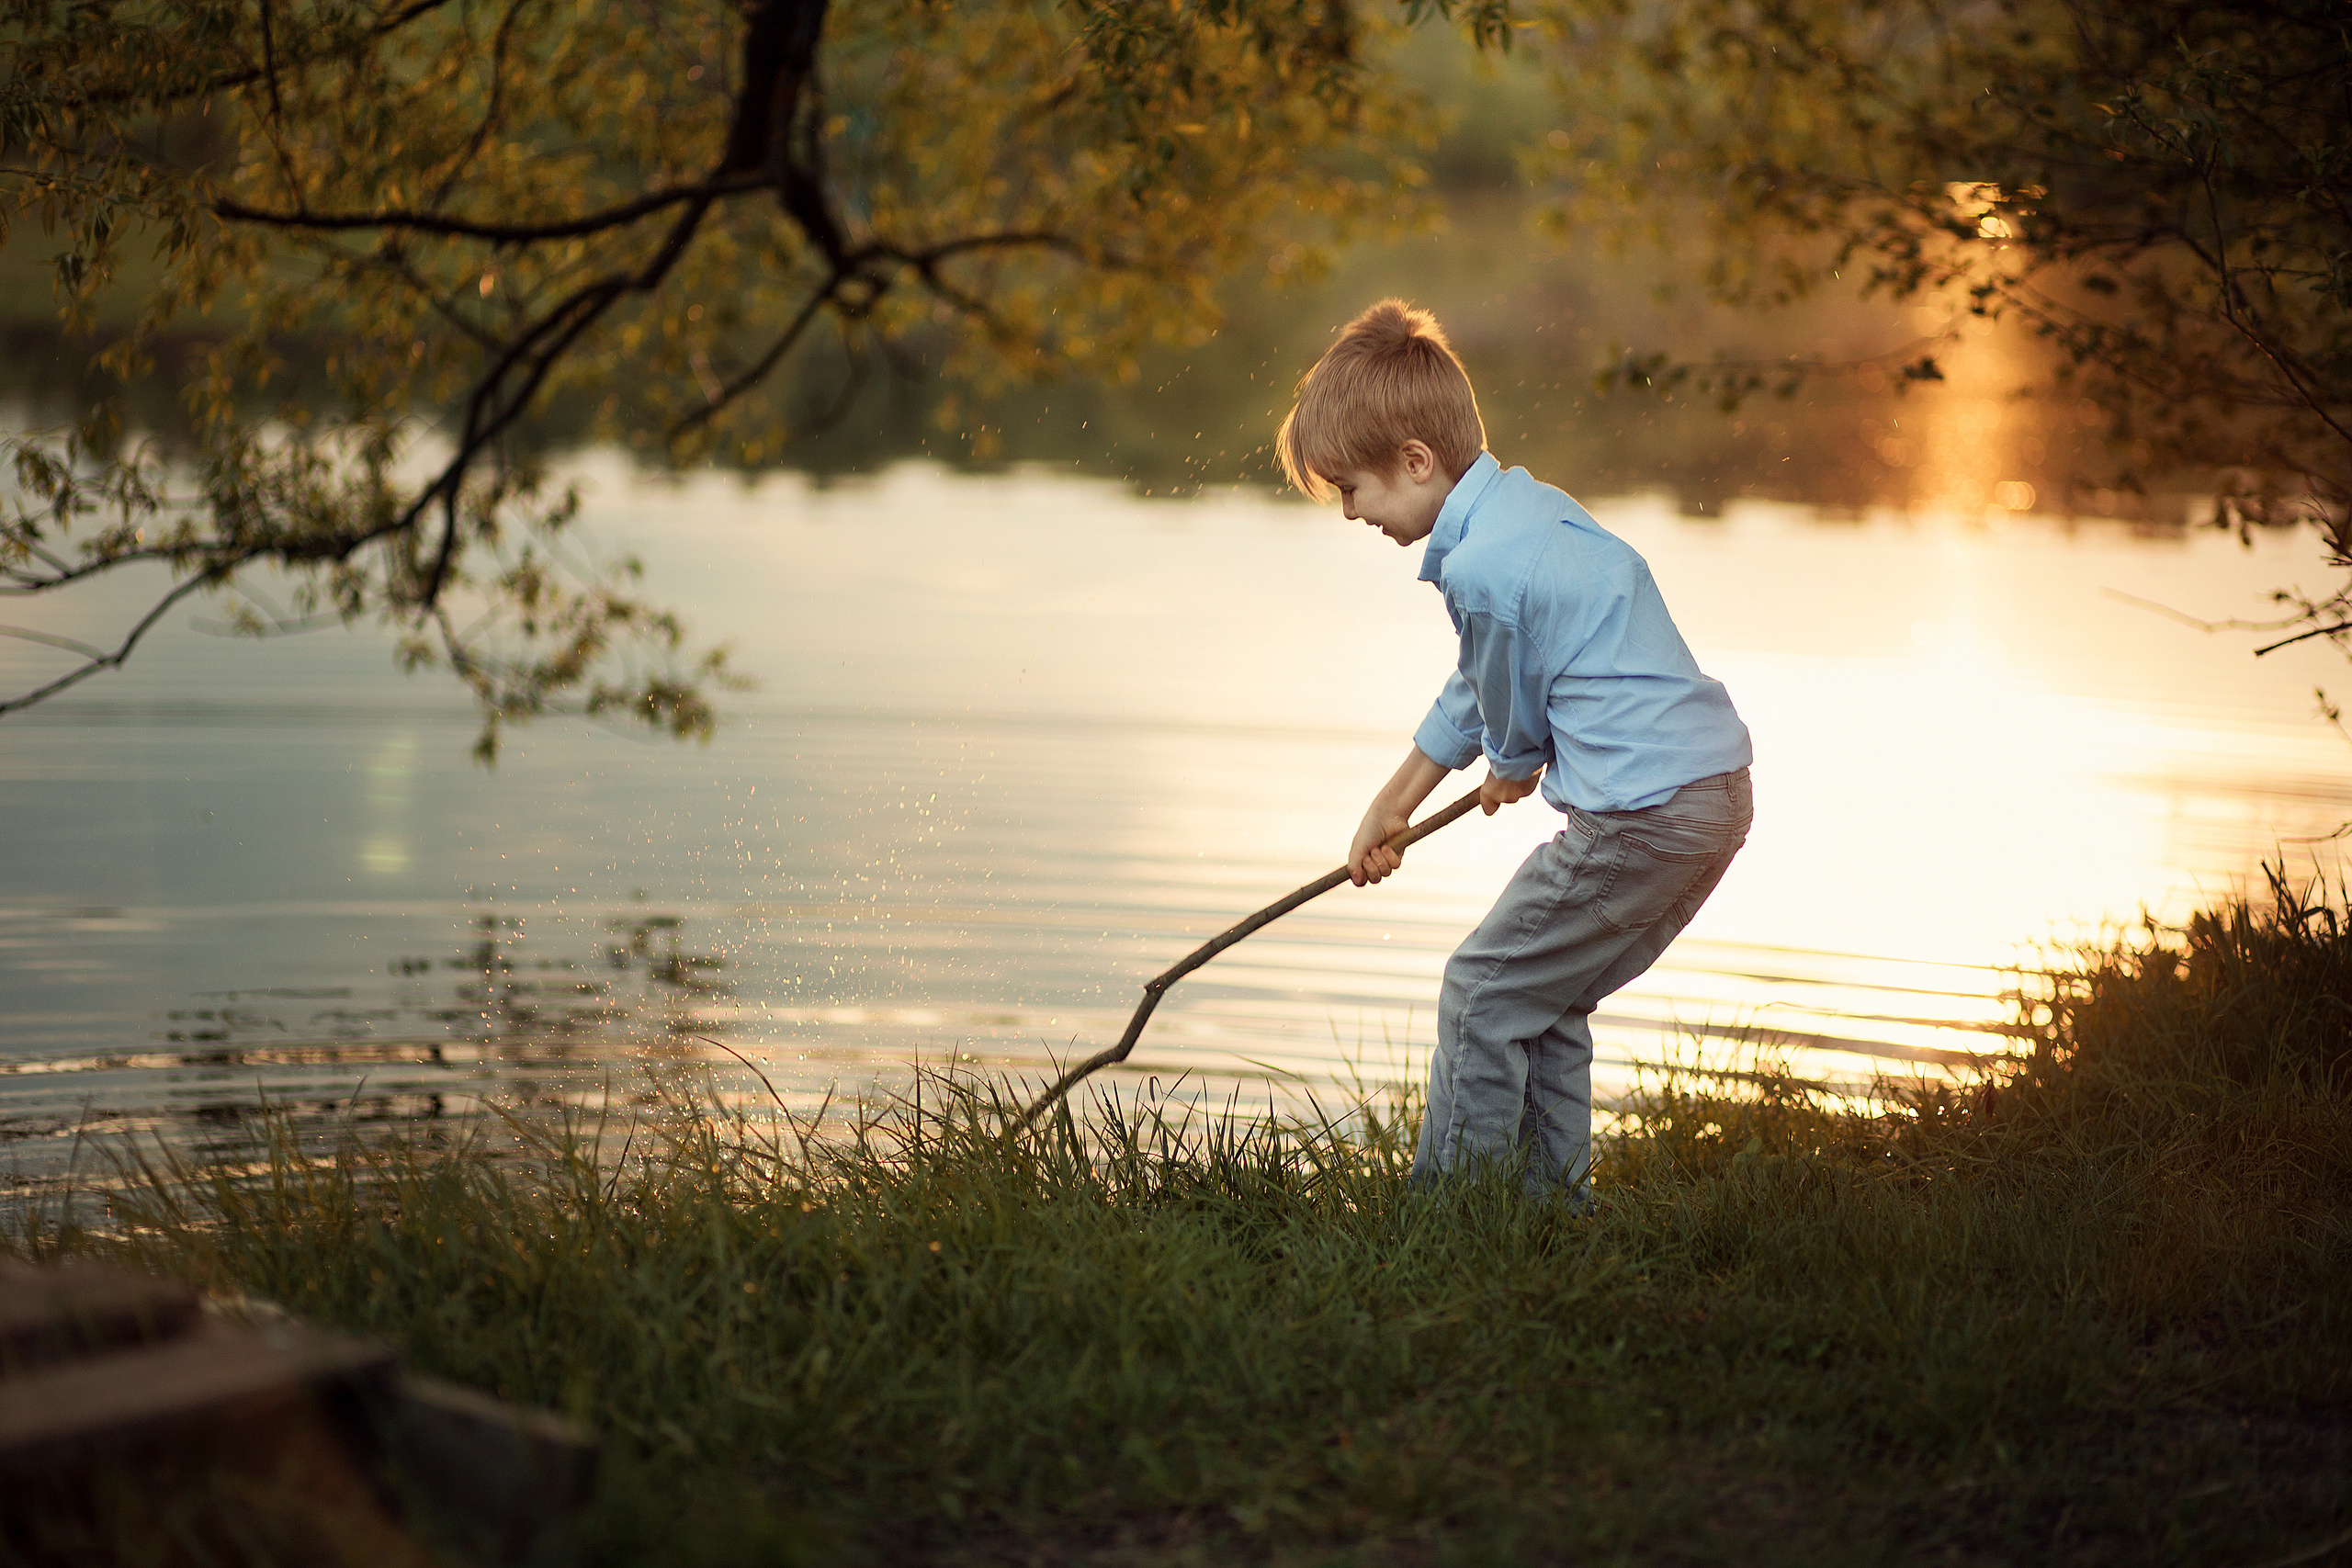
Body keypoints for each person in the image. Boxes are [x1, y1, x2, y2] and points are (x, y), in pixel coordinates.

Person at [1277, 298, 1754, 1202]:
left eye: (1351, 489)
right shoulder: (1526, 515)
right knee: (1545, 999)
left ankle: (1452, 1219)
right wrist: (1398, 799)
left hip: (1640, 816)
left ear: (1415, 462)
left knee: (1483, 990)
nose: (1349, 514)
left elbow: (1512, 720)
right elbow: (1489, 685)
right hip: (1710, 797)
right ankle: (1544, 1215)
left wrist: (1508, 757)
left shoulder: (1479, 568)